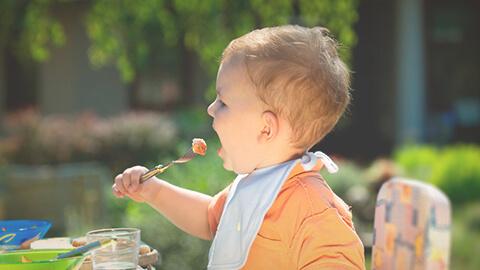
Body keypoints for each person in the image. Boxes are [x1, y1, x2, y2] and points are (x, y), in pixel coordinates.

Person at [112, 25, 365, 270]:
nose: (211, 109)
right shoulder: (254, 184)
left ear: (265, 129)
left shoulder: (313, 211)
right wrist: (154, 192)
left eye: (223, 102)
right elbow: (211, 219)